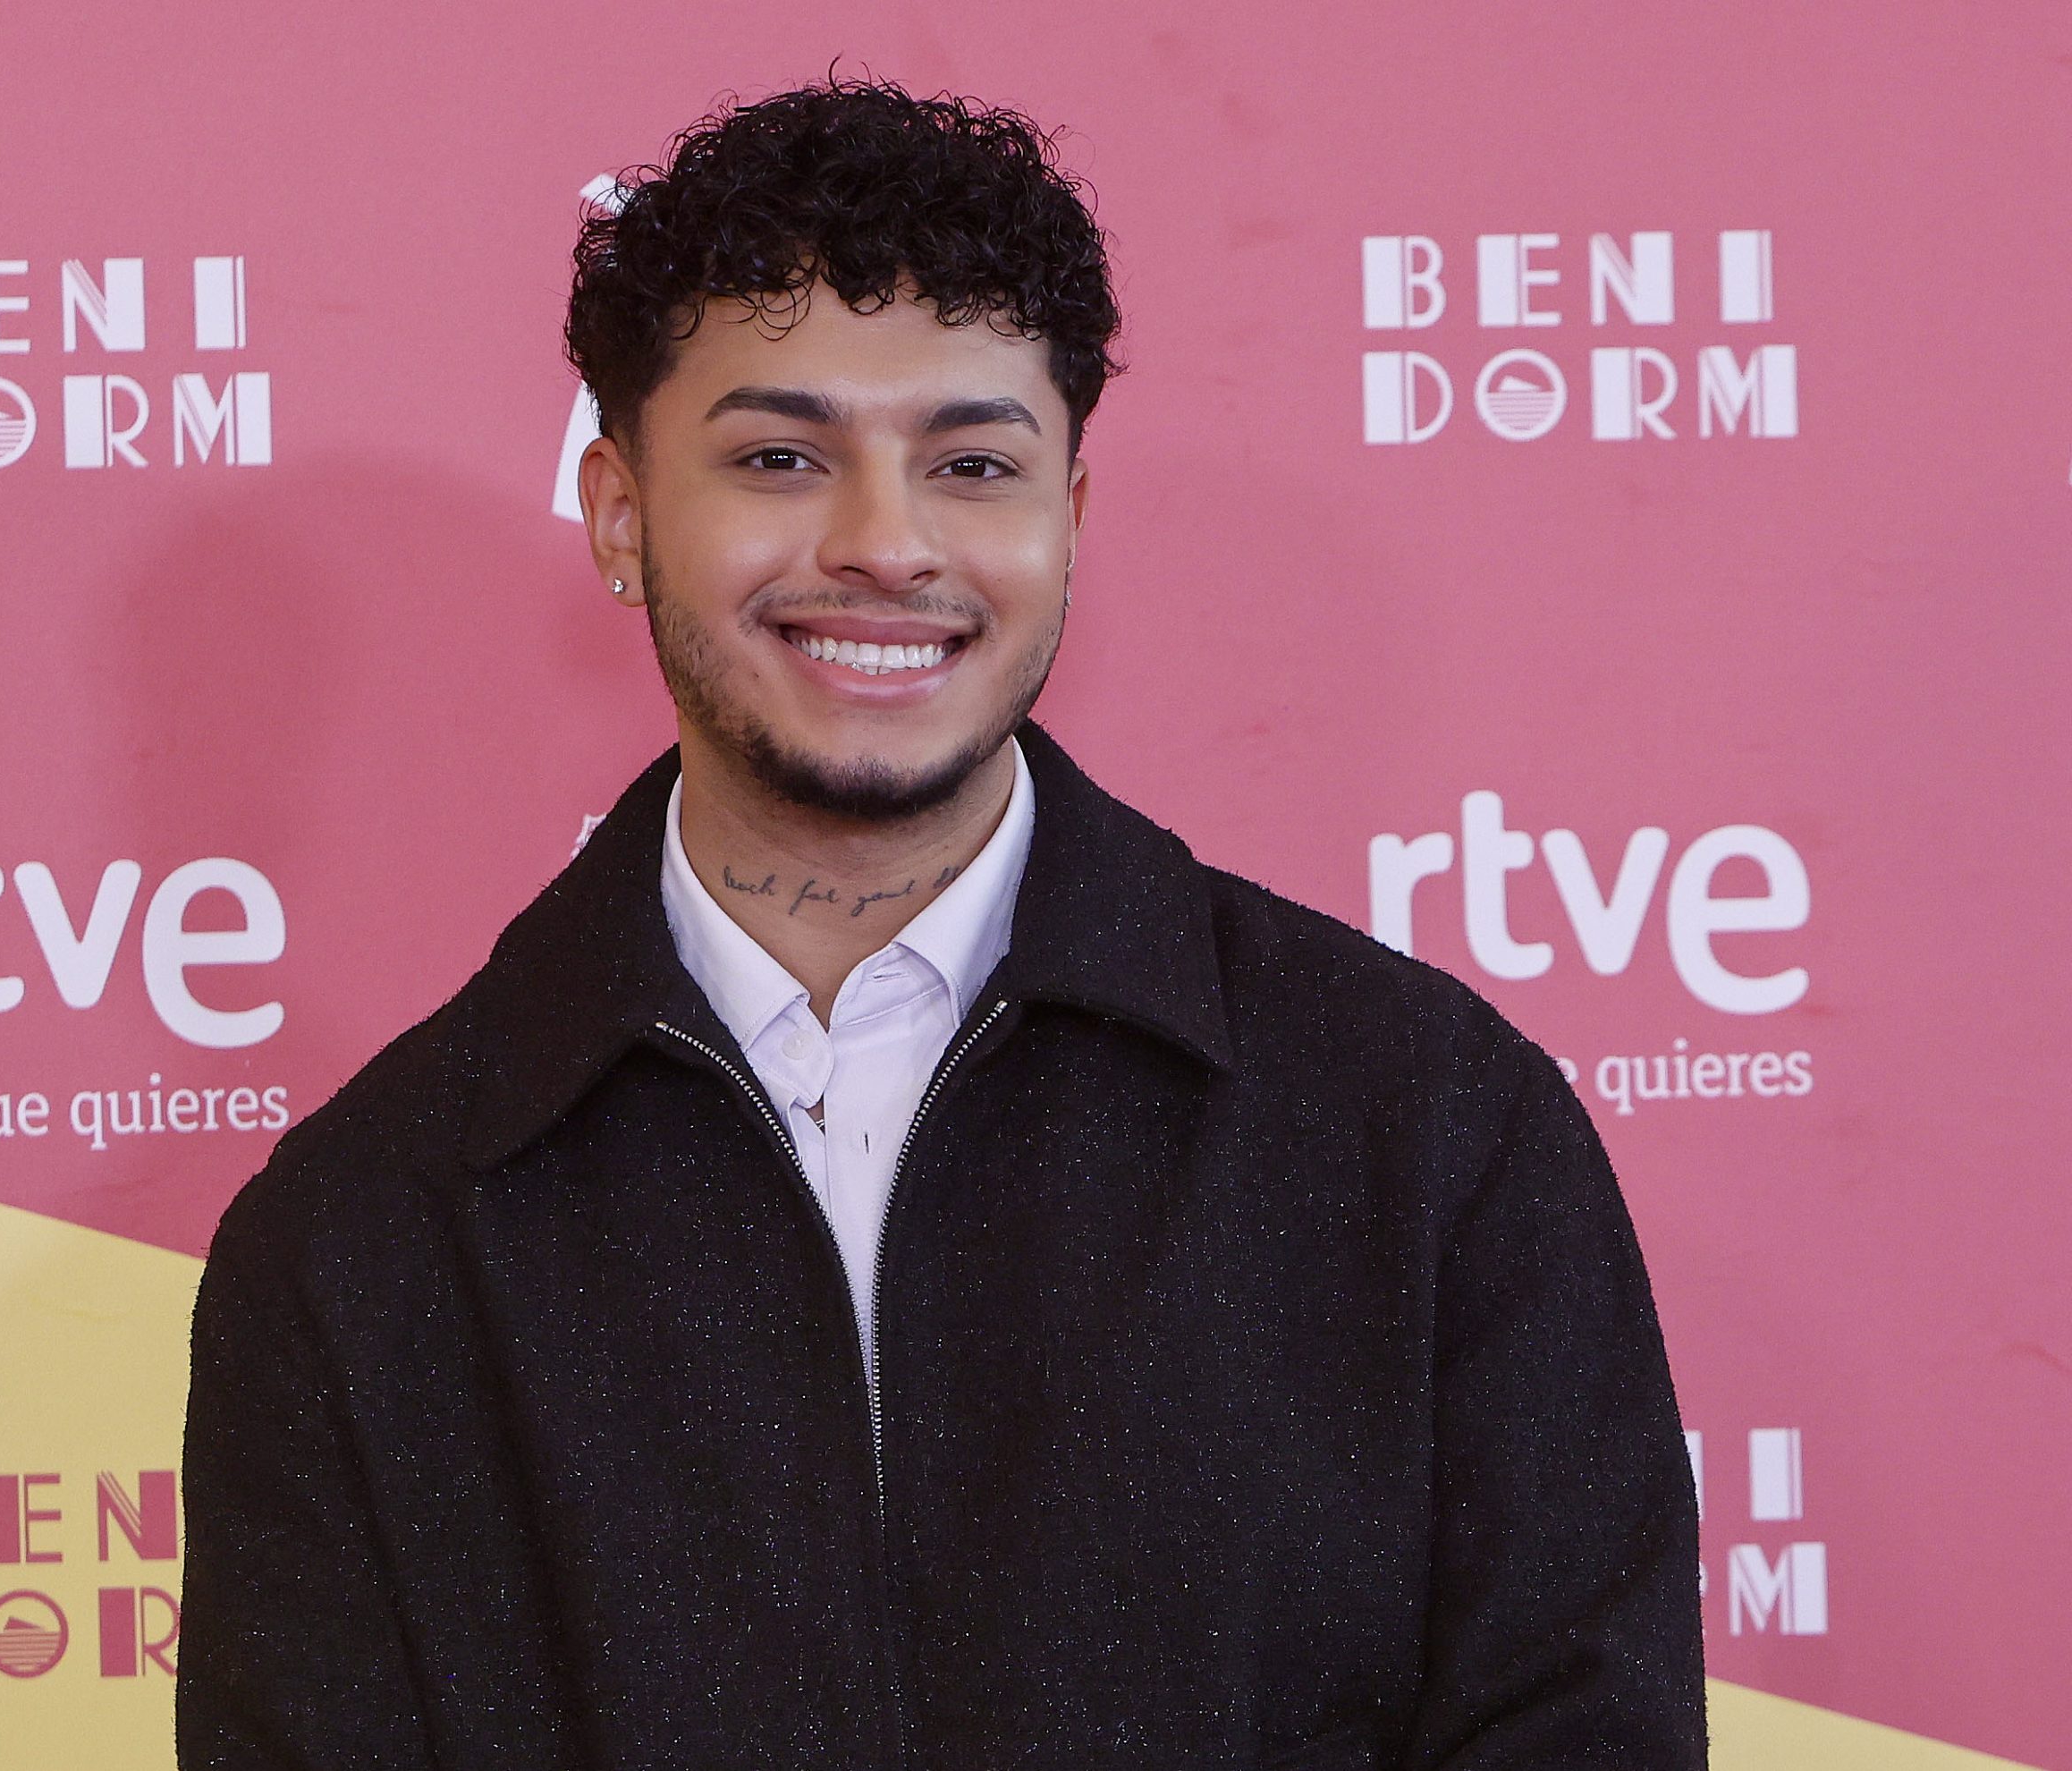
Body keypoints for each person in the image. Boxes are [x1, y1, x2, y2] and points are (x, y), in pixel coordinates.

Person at [177, 76, 1706, 1770]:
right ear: (620, 514)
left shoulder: (1429, 1131)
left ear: (1071, 519)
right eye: (780, 457)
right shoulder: (360, 1238)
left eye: (973, 464)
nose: (885, 546)